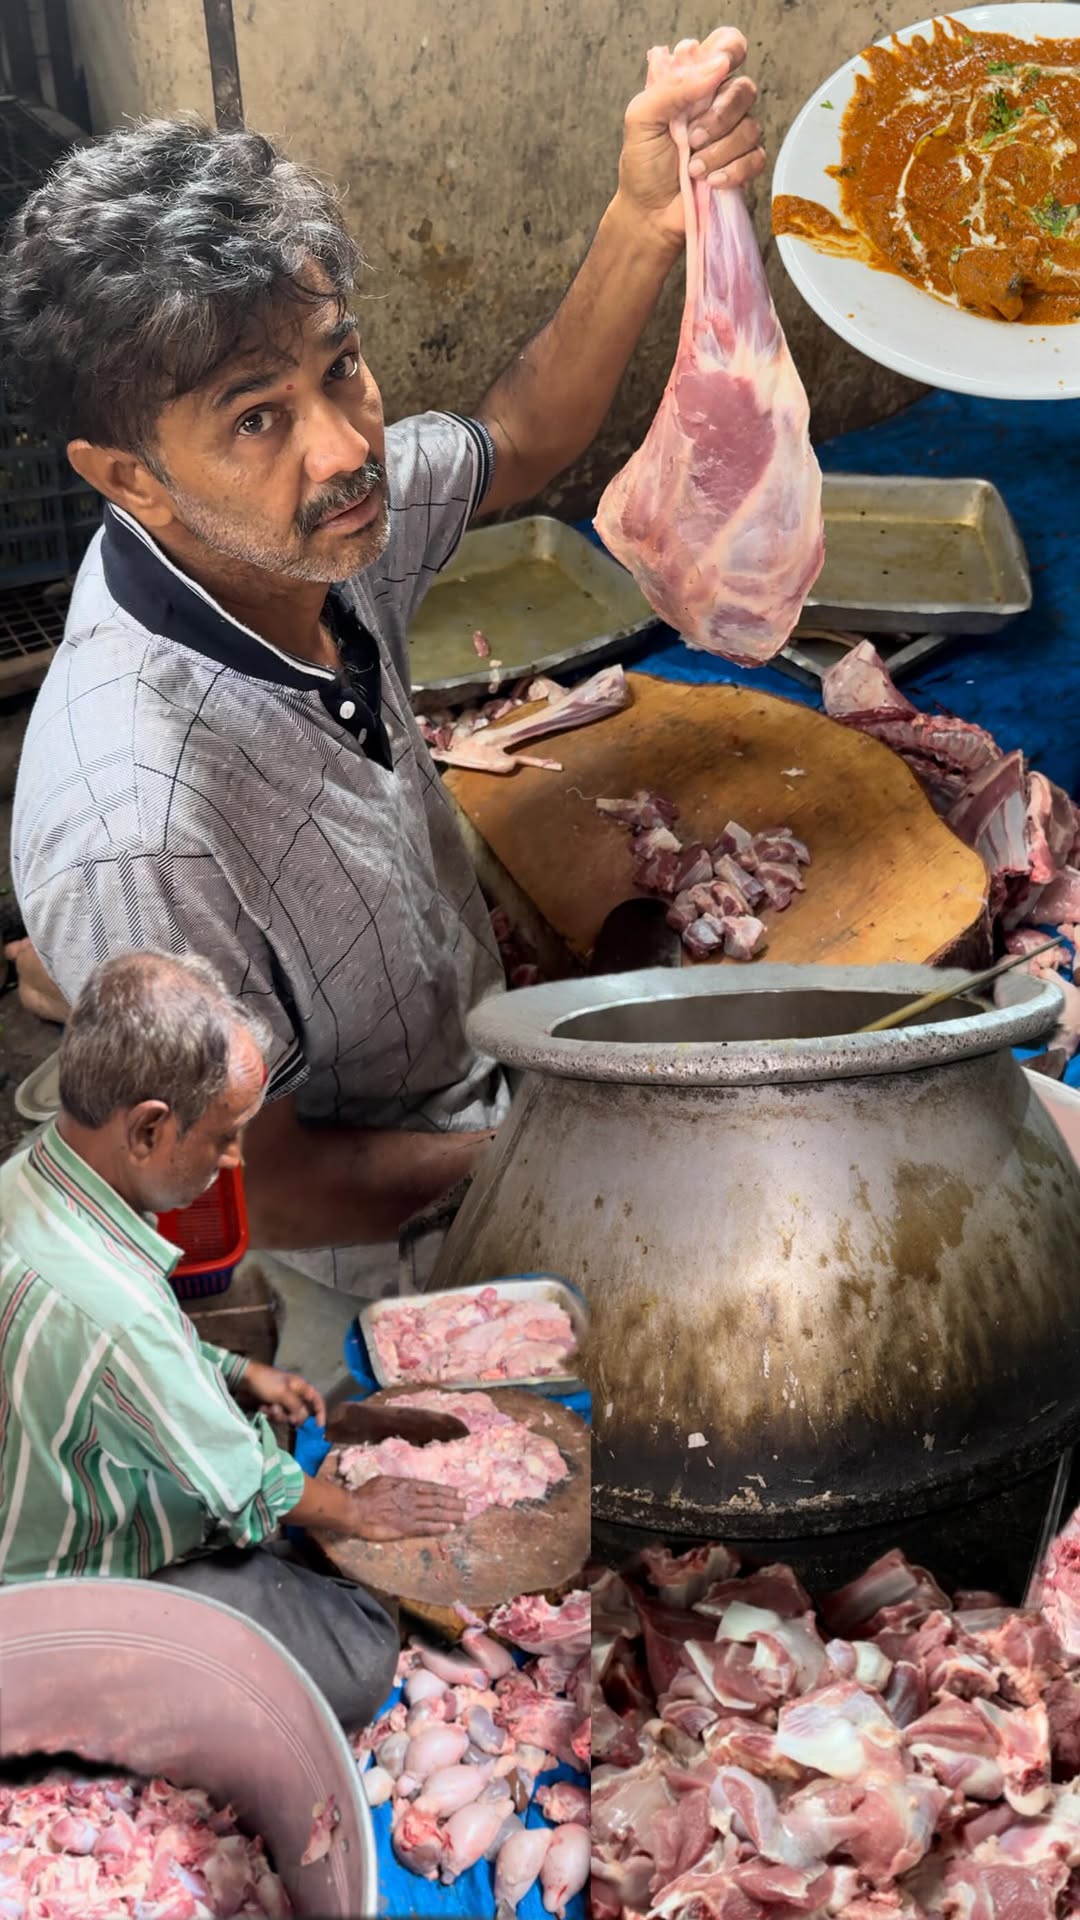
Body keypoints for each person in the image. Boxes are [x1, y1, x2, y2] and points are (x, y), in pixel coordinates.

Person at [2, 32, 765, 1291]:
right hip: (347, 1255)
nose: (348, 447)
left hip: (466, 1071)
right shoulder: (143, 827)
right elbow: (275, 1185)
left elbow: (518, 438)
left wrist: (645, 218)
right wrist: (572, 1135)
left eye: (340, 366)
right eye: (258, 416)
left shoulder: (299, 528)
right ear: (128, 478)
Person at [0, 949, 465, 1729]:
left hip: (44, 1485)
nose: (235, 1159)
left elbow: (120, 1365)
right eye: (222, 1137)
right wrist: (358, 1511)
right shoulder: (112, 1314)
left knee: (281, 1484)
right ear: (147, 1128)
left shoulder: (28, 1178)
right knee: (357, 1657)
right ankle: (84, 1692)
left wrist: (235, 1370)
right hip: (51, 1591)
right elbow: (243, 1486)